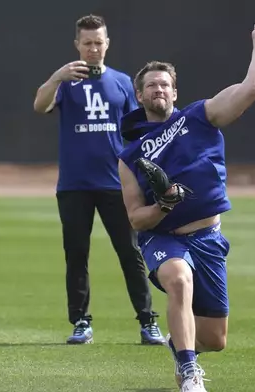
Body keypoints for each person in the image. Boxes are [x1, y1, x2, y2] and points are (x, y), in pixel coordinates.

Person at [117, 20, 255, 392]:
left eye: (165, 84)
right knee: (179, 279)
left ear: (175, 93)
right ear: (139, 96)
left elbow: (254, 86)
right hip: (164, 237)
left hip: (208, 237)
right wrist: (165, 205)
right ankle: (190, 373)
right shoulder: (129, 156)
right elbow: (137, 218)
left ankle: (180, 346)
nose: (159, 89)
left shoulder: (200, 116)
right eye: (151, 85)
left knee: (215, 338)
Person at [32, 14, 164, 345]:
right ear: (77, 45)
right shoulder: (65, 82)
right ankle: (81, 322)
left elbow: (137, 129)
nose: (93, 49)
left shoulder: (120, 82)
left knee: (130, 253)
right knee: (76, 254)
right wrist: (57, 77)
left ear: (107, 43)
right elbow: (39, 105)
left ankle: (148, 321)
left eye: (98, 42)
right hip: (75, 184)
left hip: (117, 183)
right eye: (87, 43)